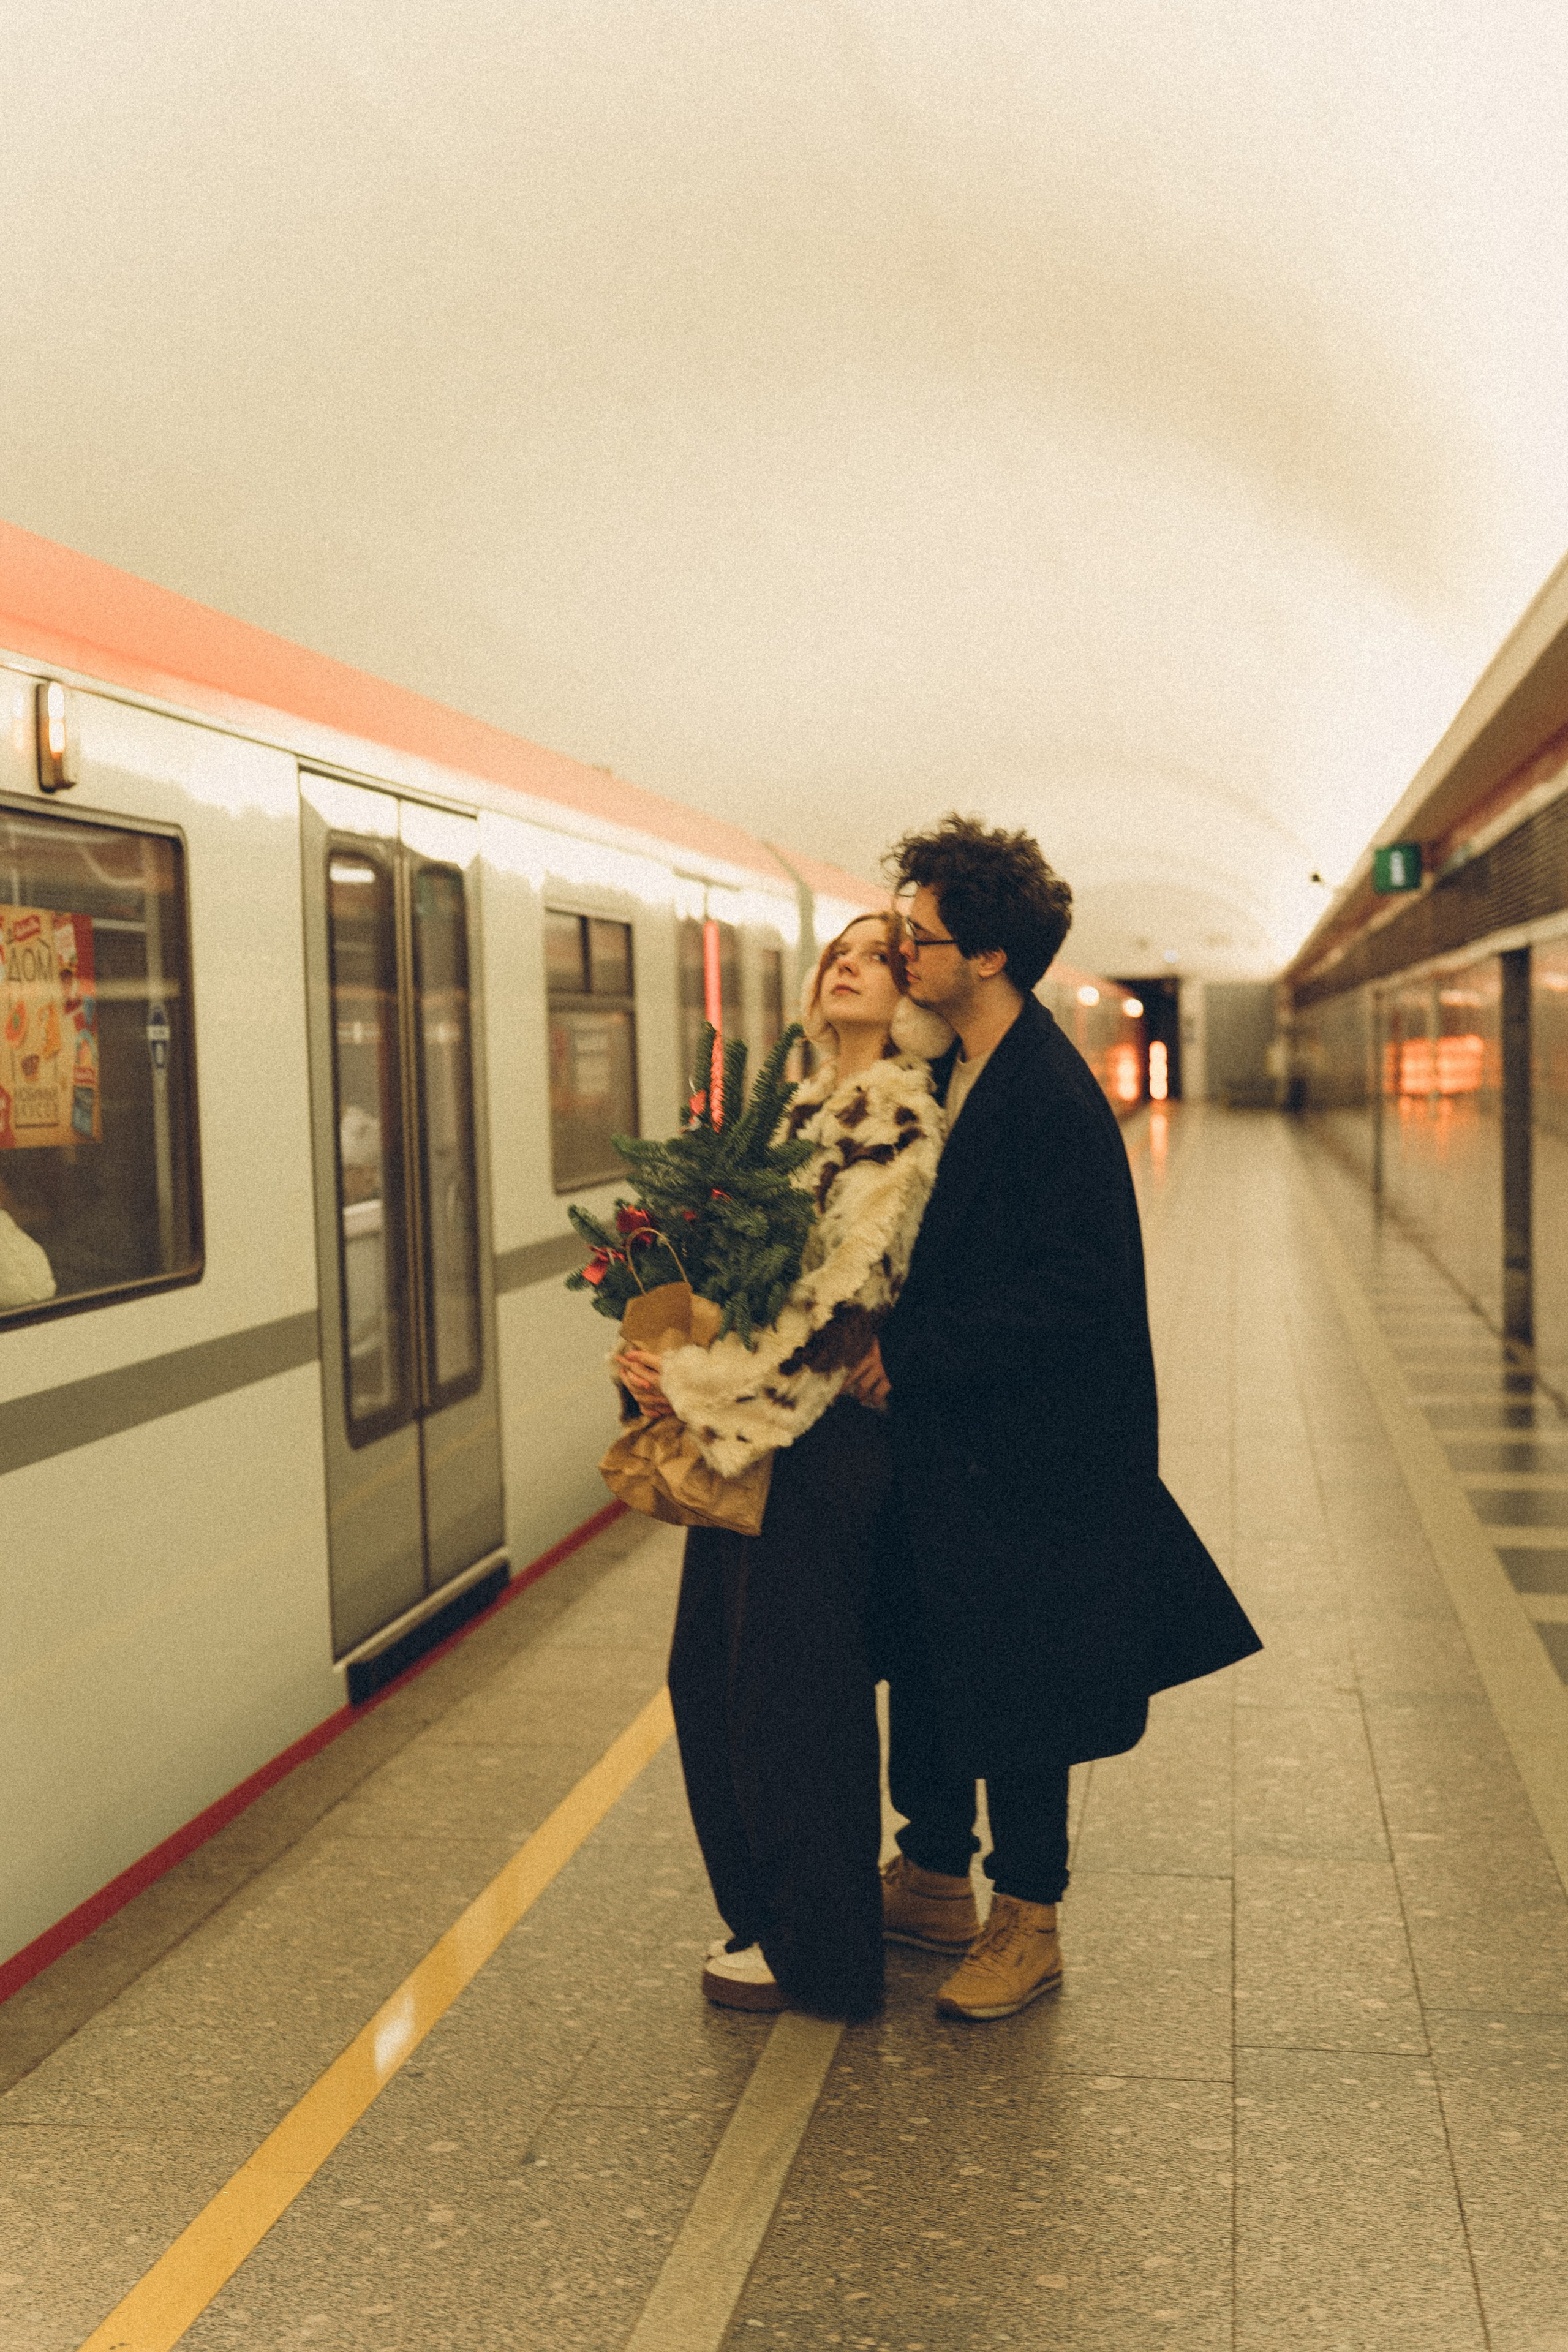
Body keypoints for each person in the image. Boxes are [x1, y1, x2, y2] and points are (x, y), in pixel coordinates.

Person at [845, 815, 1261, 2022]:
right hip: (955, 1443)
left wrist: (907, 1359)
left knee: (1015, 1688)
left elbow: (1068, 1293)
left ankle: (1028, 1918)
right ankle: (931, 1872)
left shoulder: (1047, 1098)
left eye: (916, 938)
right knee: (926, 1658)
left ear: (983, 957)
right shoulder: (949, 1067)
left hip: (1029, 1454)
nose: (901, 954)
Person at [618, 914, 950, 2020]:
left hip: (816, 1451)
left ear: (912, 991)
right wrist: (661, 1354)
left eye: (875, 953)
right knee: (715, 1684)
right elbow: (736, 1275)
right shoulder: (801, 1109)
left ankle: (822, 1952)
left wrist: (697, 1392)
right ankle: (769, 1916)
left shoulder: (895, 1111)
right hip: (757, 1439)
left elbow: (843, 1300)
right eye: (837, 952)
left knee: (792, 1707)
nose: (843, 962)